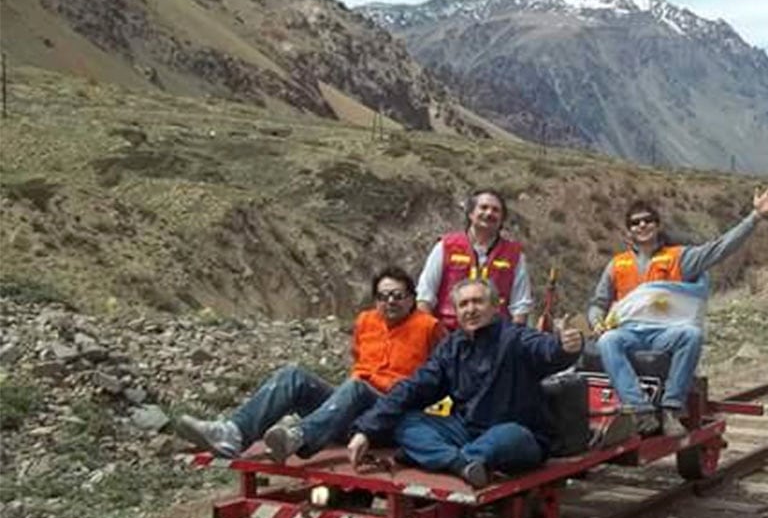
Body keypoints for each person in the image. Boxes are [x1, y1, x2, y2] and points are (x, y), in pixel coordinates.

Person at [175, 267, 444, 461]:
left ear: (412, 298)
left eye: (398, 295)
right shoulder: (365, 321)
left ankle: (300, 437)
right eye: (383, 296)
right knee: (294, 375)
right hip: (350, 411)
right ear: (375, 300)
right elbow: (358, 359)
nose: (390, 302)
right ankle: (232, 434)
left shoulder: (428, 327)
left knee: (358, 387)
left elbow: (441, 376)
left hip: (391, 418)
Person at [346, 278, 583, 487]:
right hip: (465, 430)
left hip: (516, 431)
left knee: (509, 435)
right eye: (463, 304)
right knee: (405, 423)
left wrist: (564, 347)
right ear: (456, 312)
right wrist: (366, 430)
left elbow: (546, 350)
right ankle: (462, 463)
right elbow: (414, 387)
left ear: (495, 307)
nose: (471, 309)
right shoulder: (452, 347)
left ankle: (442, 457)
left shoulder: (515, 338)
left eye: (477, 302)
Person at [587, 185, 768, 437]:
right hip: (629, 333)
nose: (642, 225)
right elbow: (598, 302)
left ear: (657, 225)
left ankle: (671, 409)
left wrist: (754, 217)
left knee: (691, 336)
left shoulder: (679, 257)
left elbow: (719, 248)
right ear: (629, 231)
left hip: (666, 333)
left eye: (648, 220)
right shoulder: (617, 265)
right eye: (636, 223)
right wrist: (596, 322)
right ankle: (640, 410)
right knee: (607, 341)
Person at [416, 189, 534, 329]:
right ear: (471, 214)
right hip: (447, 334)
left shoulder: (515, 255)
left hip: (495, 339)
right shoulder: (445, 247)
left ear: (502, 218)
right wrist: (430, 335)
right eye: (483, 207)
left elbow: (520, 306)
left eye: (495, 210)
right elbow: (425, 296)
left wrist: (512, 342)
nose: (489, 213)